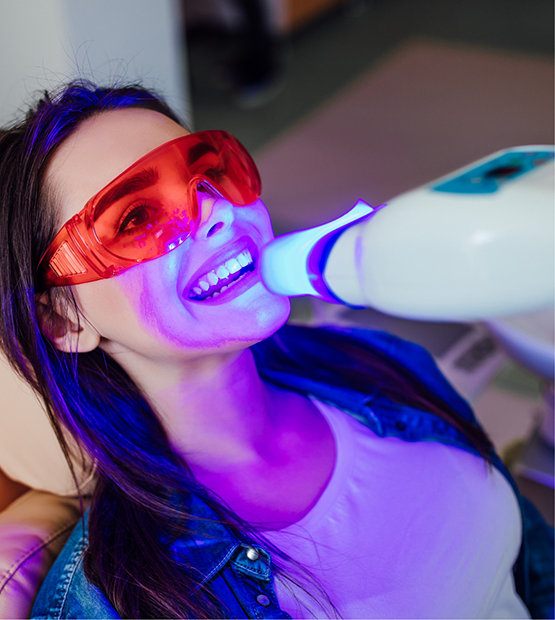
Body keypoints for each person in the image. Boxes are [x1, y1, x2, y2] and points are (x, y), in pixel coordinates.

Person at [0, 81, 551, 620]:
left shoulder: (376, 359)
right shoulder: (117, 605)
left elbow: (532, 566)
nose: (216, 212)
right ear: (63, 320)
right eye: (136, 218)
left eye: (210, 174)